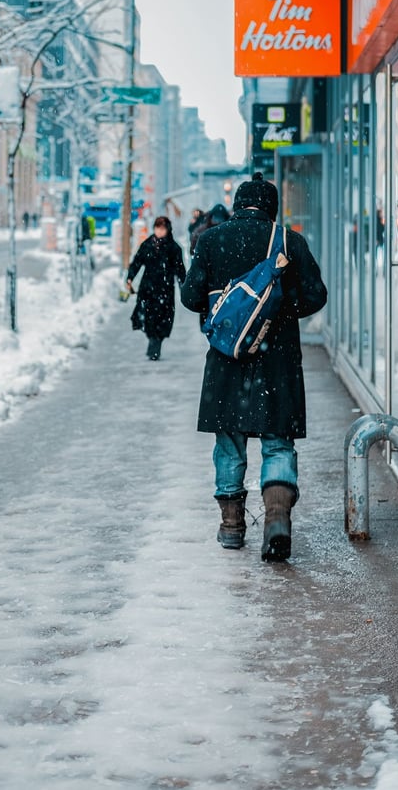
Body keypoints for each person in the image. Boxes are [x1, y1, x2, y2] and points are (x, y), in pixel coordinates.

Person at [181, 171, 327, 562]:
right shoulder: (288, 241)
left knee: (229, 443)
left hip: (228, 359)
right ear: (272, 206)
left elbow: (191, 297)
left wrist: (229, 308)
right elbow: (316, 296)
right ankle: (277, 516)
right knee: (278, 440)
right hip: (277, 359)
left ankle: (231, 526)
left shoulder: (211, 239)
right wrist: (277, 310)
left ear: (238, 204)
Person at [126, 215, 186, 361]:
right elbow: (137, 261)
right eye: (157, 228)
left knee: (163, 319)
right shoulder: (147, 244)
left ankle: (155, 344)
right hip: (148, 287)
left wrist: (184, 287)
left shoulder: (174, 248)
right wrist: (130, 277)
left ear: (168, 230)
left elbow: (180, 270)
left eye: (162, 228)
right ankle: (153, 340)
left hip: (165, 289)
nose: (159, 231)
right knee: (147, 317)